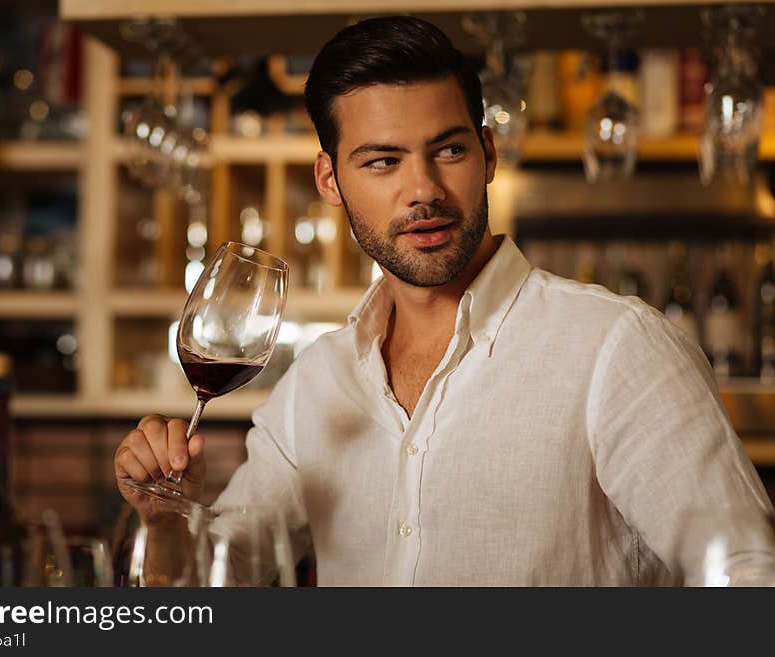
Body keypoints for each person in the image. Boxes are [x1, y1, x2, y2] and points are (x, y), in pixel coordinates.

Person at [114, 15, 772, 585]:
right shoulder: (318, 382)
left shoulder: (615, 346)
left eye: (448, 149)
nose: (422, 188)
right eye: (381, 161)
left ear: (487, 153)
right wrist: (165, 516)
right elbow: (213, 580)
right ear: (330, 179)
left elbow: (747, 573)